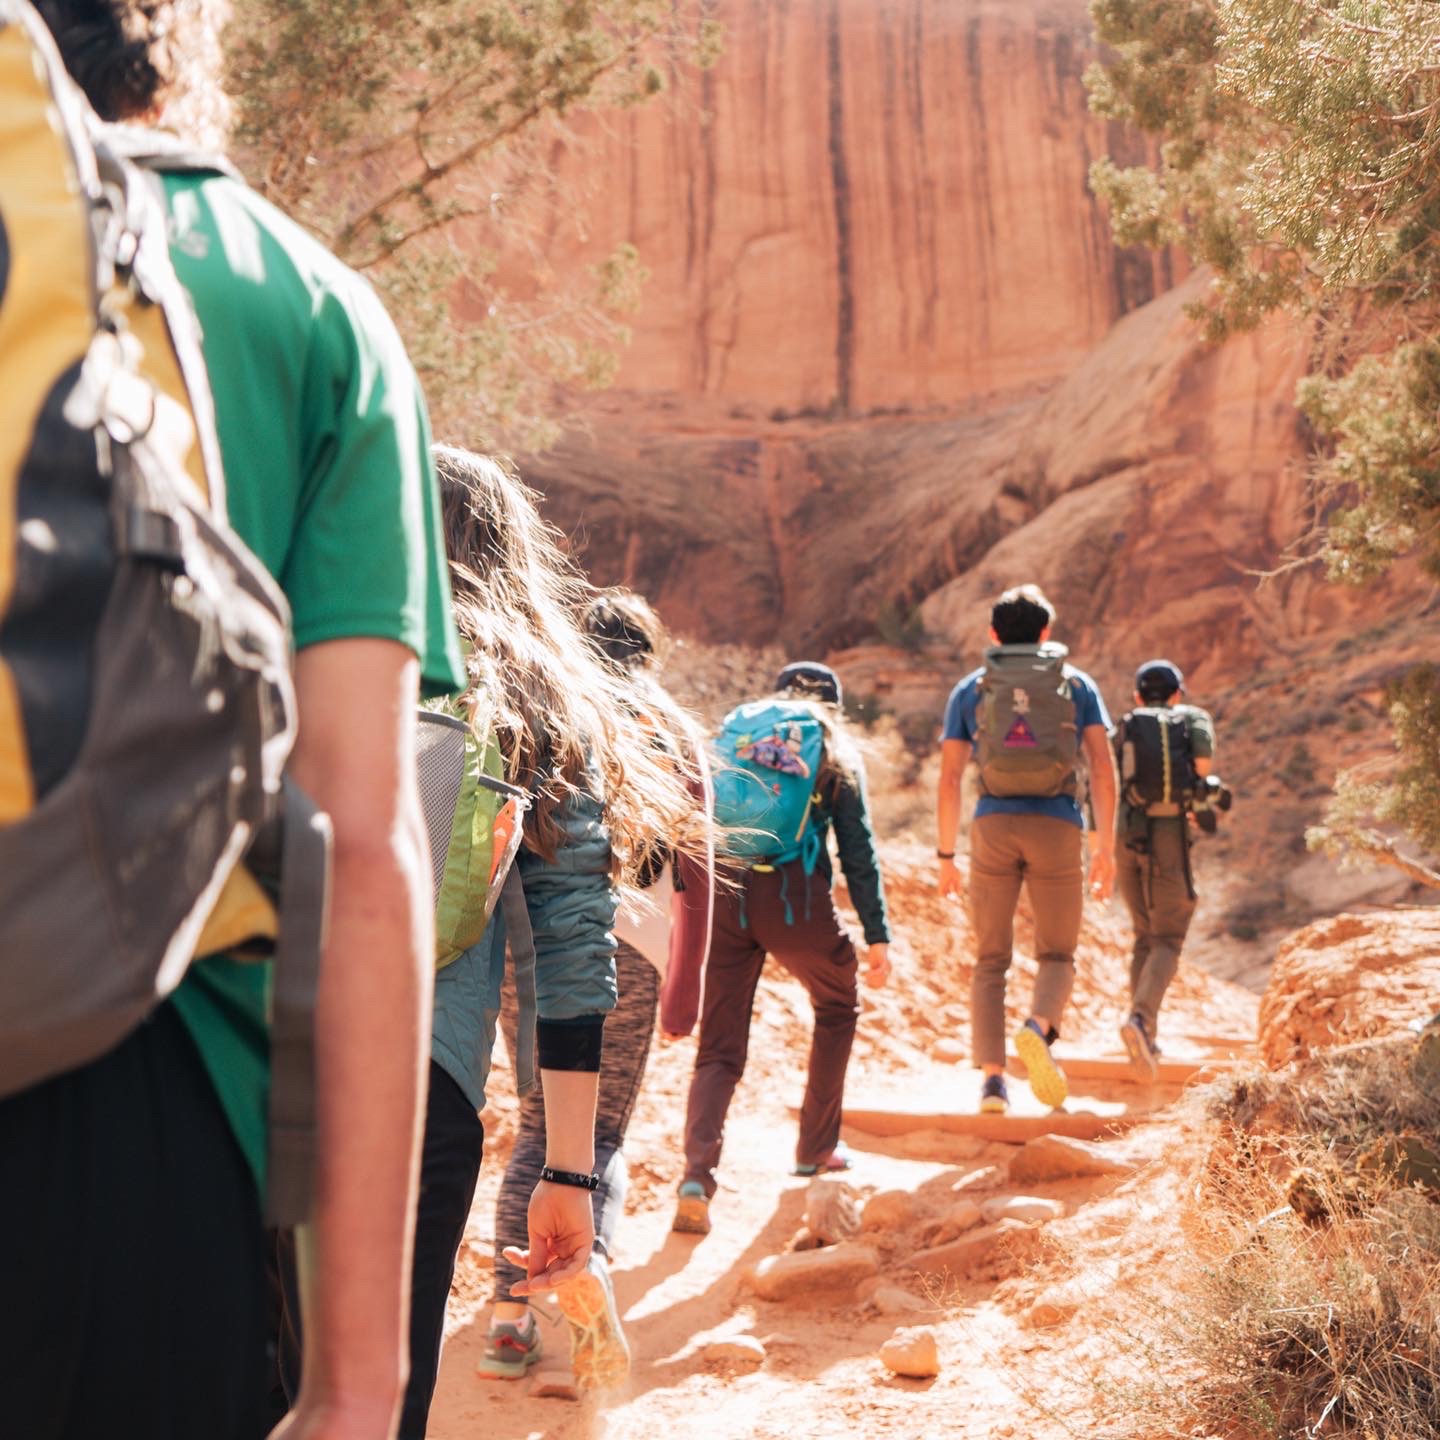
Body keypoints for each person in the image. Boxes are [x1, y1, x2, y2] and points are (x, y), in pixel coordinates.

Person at [14, 5, 464, 1439]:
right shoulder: (313, 305)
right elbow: (368, 841)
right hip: (159, 1107)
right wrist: (358, 1376)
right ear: (186, 41)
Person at [408, 454, 709, 1427]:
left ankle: (502, 1322)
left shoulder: (282, 647)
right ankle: (543, 1319)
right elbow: (577, 946)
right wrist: (570, 1174)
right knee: (374, 1382)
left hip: (237, 1060)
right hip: (420, 1084)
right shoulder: (542, 700)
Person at [485, 588, 714, 1397]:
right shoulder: (673, 728)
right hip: (633, 952)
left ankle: (508, 1321)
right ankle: (587, 1289)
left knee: (535, 1124)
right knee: (598, 1137)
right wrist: (689, 985)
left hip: (529, 946)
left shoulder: (549, 709)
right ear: (648, 649)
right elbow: (699, 873)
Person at [675, 661, 892, 1236]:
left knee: (720, 1045)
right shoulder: (831, 752)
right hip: (795, 902)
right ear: (832, 710)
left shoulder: (744, 736)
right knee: (838, 1005)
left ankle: (696, 1176)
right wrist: (876, 934)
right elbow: (858, 848)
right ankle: (816, 1149)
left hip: (725, 892)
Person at [935, 585, 1116, 1115]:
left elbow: (949, 779)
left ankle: (993, 1083)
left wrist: (946, 856)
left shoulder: (972, 688)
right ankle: (1037, 1027)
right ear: (1046, 634)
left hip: (992, 824)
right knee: (1057, 952)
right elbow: (1102, 768)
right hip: (1058, 825)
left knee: (991, 959)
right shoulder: (1076, 684)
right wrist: (1104, 844)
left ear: (993, 635)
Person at [1114, 659, 1218, 1079]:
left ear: (1138, 696)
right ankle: (1140, 1020)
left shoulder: (1125, 725)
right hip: (1166, 835)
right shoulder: (1190, 720)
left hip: (1125, 836)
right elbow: (1205, 764)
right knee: (1168, 938)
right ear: (1177, 694)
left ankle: (1145, 1035)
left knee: (1144, 936)